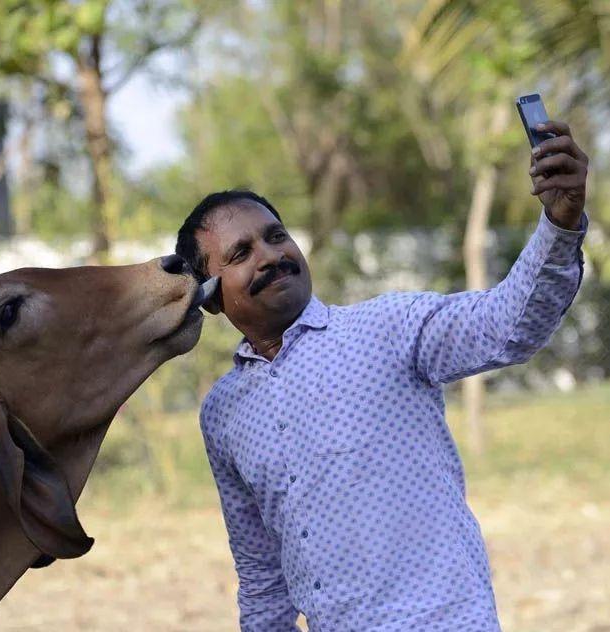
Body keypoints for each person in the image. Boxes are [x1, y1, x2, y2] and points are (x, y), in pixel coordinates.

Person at [174, 120, 588, 631]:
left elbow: (509, 324)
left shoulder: (388, 329)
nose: (271, 256)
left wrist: (559, 224)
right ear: (211, 298)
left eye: (276, 236)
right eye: (241, 253)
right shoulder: (223, 412)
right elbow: (262, 575)